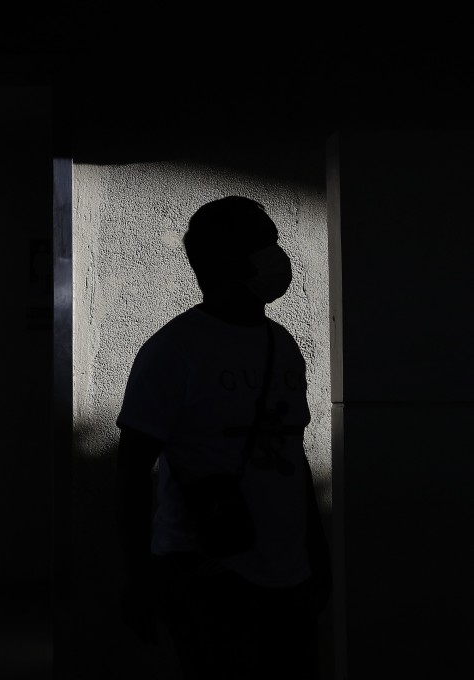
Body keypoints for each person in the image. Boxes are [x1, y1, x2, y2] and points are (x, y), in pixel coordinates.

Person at [115, 196, 332, 679]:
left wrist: (316, 557)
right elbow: (131, 471)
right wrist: (138, 577)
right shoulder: (173, 352)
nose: (277, 255)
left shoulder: (283, 344)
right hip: (206, 575)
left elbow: (292, 456)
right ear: (225, 261)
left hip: (287, 575)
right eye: (264, 244)